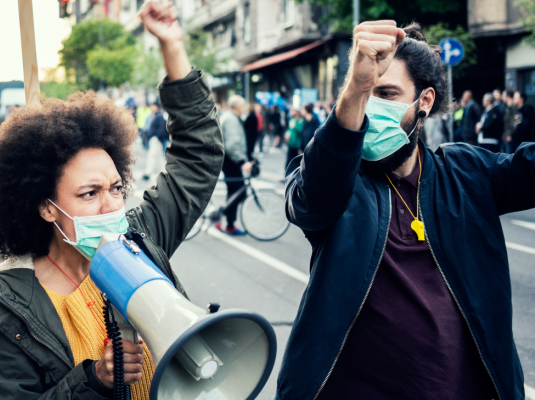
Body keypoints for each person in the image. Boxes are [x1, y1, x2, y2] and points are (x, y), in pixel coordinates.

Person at [0, 0, 223, 400]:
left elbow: (198, 159)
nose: (110, 207)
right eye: (89, 193)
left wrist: (173, 48)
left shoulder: (140, 240)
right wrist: (93, 381)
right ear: (45, 206)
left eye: (116, 188)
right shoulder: (7, 308)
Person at [278, 21, 533, 400]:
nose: (372, 106)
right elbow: (311, 199)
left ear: (424, 101)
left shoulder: (469, 174)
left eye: (387, 93)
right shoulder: (339, 179)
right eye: (367, 94)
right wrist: (356, 88)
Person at [217, 95, 253, 234]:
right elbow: (232, 144)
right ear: (237, 107)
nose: (244, 109)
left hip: (227, 159)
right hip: (230, 160)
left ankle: (228, 221)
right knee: (239, 191)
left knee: (234, 190)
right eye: (243, 106)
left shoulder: (229, 117)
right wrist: (242, 161)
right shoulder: (231, 120)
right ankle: (227, 221)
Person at [141, 101, 169, 180]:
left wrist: (156, 137)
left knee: (152, 155)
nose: (151, 107)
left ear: (156, 107)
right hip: (156, 138)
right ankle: (164, 172)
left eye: (153, 105)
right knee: (159, 156)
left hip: (156, 138)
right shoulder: (156, 115)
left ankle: (148, 172)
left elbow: (161, 129)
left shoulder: (159, 116)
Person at [284, 107, 304, 173]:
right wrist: (286, 134)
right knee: (288, 160)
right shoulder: (291, 120)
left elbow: (301, 131)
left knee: (296, 162)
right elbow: (289, 130)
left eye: (293, 111)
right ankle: (286, 175)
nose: (292, 112)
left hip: (297, 144)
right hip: (290, 143)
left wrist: (294, 127)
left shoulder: (300, 121)